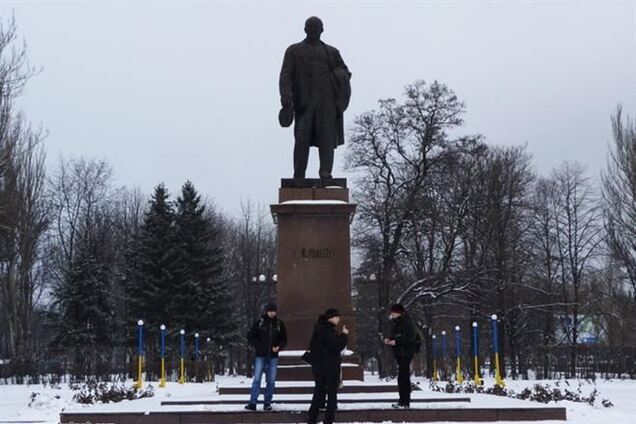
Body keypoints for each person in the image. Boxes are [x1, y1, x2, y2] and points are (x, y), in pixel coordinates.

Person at [279, 16, 352, 179]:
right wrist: (286, 98)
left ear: (322, 30)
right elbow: (286, 75)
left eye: (316, 27)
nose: (313, 30)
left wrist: (339, 76)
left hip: (327, 101)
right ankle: (299, 173)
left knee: (326, 137)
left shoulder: (332, 52)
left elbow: (345, 72)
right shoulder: (294, 50)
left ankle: (325, 172)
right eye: (310, 27)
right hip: (304, 101)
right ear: (304, 29)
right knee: (301, 138)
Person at [307, 308, 348, 424]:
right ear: (331, 318)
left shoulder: (318, 329)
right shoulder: (329, 330)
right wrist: (344, 335)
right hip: (330, 368)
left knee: (318, 393)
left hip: (319, 367)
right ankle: (328, 420)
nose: (339, 319)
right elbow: (336, 347)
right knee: (331, 395)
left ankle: (312, 418)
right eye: (337, 317)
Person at [245, 302, 288, 411]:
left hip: (273, 356)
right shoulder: (260, 322)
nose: (272, 313)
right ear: (266, 311)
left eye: (273, 311)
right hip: (260, 355)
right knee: (257, 379)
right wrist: (258, 346)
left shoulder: (279, 324)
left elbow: (284, 339)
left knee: (271, 381)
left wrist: (279, 346)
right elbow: (250, 336)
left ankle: (267, 402)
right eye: (270, 311)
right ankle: (253, 402)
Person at [383, 303, 416, 409]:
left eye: (393, 312)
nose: (391, 314)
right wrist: (390, 339)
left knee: (403, 378)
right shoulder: (397, 322)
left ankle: (404, 402)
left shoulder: (406, 322)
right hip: (401, 353)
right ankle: (402, 401)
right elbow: (398, 335)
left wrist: (395, 341)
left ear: (398, 313)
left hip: (405, 353)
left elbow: (409, 337)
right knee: (402, 378)